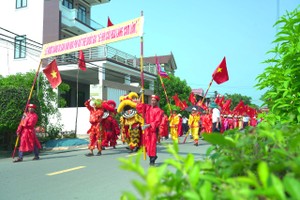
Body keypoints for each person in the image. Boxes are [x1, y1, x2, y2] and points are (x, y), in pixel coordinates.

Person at [136, 94, 163, 166]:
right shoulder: (148, 108)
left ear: (157, 102)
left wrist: (149, 125)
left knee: (152, 145)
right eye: (152, 100)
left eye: (154, 100)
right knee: (147, 145)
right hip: (147, 130)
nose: (153, 102)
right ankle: (153, 156)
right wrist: (141, 95)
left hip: (153, 130)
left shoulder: (159, 111)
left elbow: (157, 121)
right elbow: (140, 106)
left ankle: (152, 160)